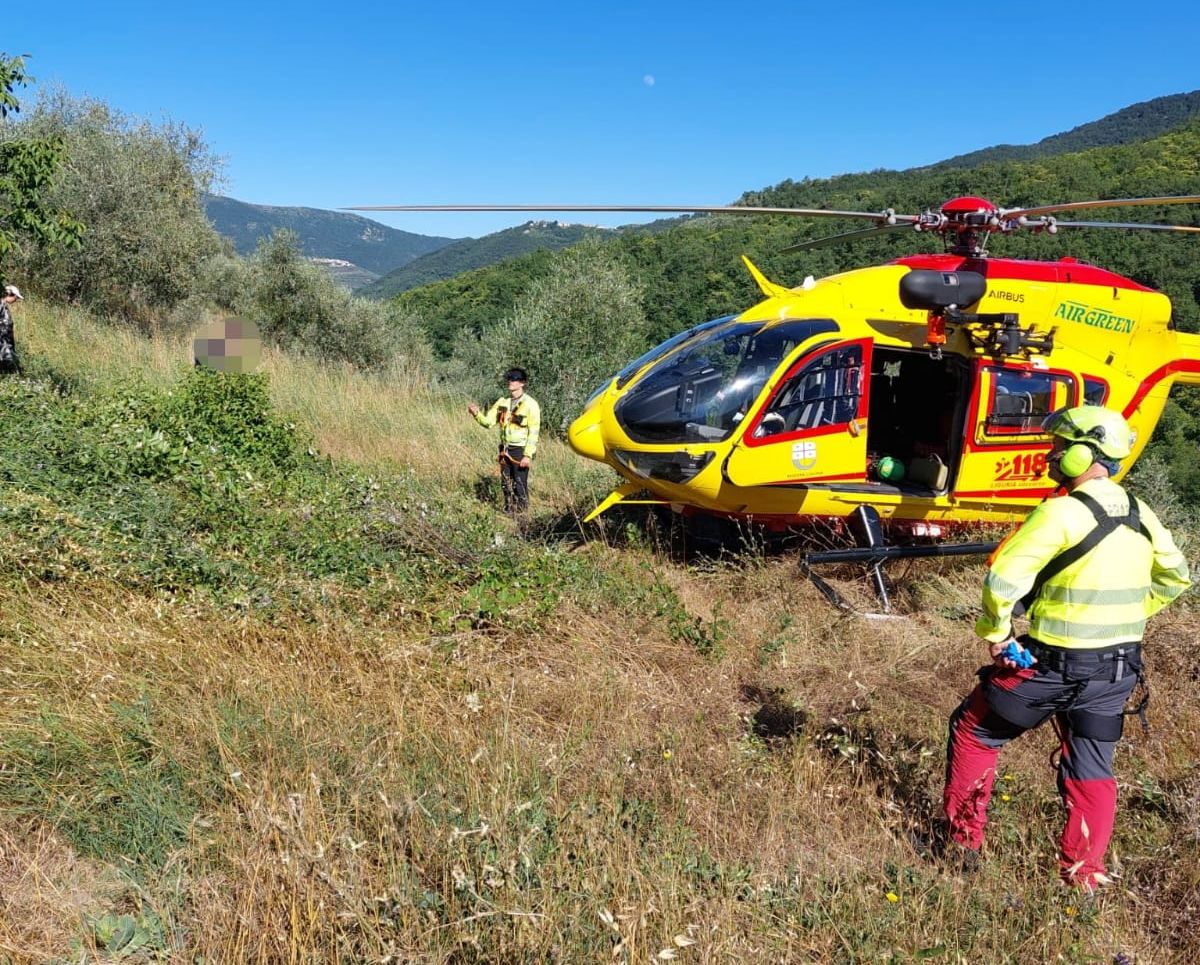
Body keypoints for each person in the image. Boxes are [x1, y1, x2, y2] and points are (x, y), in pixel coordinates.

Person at [942, 404, 1190, 892]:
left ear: (1084, 453)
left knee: (974, 730)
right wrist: (1131, 616)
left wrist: (998, 633)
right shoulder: (1141, 513)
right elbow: (1177, 577)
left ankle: (960, 846)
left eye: (1060, 446)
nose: (1051, 454)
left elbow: (1003, 579)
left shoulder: (1060, 511)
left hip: (1052, 664)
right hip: (1118, 667)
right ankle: (1085, 877)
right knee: (1092, 765)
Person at [469, 367, 541, 514]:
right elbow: (488, 422)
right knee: (506, 484)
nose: (510, 381)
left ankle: (522, 517)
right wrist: (477, 414)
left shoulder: (531, 404)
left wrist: (527, 455)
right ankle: (509, 513)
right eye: (509, 378)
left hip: (520, 450)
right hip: (505, 449)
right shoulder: (503, 402)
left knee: (519, 485)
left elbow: (534, 431)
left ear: (522, 383)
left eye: (514, 378)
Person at [0, 284, 23, 375]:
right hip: (2, 341)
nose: (16, 300)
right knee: (9, 361)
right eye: (16, 297)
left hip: (6, 341)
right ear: (10, 294)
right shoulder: (1, 305)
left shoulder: (4, 306)